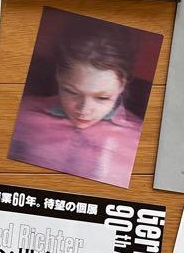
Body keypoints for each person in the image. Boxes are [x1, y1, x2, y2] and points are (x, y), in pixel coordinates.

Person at [8, 32, 144, 188]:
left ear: (122, 85)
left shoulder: (141, 140)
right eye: (71, 92)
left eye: (102, 97)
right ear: (58, 75)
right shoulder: (21, 114)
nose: (84, 110)